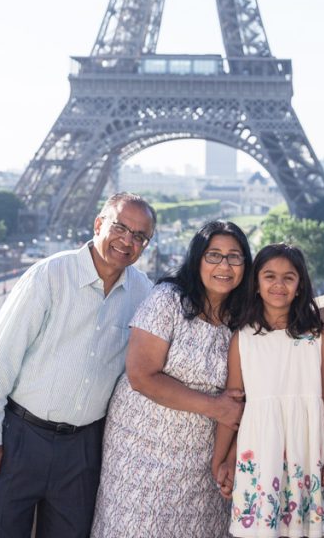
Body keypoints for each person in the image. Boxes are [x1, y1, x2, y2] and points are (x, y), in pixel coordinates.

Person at [0, 192, 156, 538]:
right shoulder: (49, 275)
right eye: (120, 228)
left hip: (83, 451)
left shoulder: (143, 292)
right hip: (19, 438)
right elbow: (1, 355)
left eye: (140, 236)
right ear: (98, 224)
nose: (128, 241)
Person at [90, 220, 254, 538]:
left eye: (234, 257)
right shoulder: (168, 300)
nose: (224, 266)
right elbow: (141, 375)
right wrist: (215, 407)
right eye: (214, 255)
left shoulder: (243, 319)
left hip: (203, 460)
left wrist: (227, 456)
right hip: (142, 450)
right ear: (196, 259)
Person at [215, 243, 324, 537]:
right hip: (259, 454)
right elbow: (236, 408)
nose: (279, 284)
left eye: (288, 277)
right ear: (256, 284)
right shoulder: (242, 340)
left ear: (300, 286)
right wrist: (224, 459)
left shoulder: (317, 338)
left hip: (306, 452)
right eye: (269, 276)